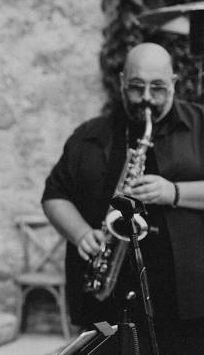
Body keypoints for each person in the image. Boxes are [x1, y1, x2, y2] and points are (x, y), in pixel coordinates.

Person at [43, 42, 204, 353]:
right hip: (110, 302)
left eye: (158, 88)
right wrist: (80, 234)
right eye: (136, 87)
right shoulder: (90, 135)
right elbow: (54, 195)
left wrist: (174, 192)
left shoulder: (201, 125)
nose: (146, 98)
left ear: (174, 83)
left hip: (191, 305)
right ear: (121, 82)